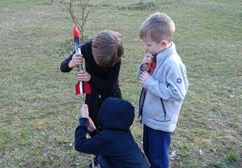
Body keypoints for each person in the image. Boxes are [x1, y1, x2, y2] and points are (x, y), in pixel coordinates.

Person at [137, 12, 189, 168]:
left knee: (158, 158)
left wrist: (150, 83)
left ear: (164, 43)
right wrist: (144, 67)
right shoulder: (156, 54)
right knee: (148, 150)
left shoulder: (173, 64)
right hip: (150, 116)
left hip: (161, 121)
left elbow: (177, 93)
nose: (146, 48)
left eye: (148, 44)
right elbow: (142, 78)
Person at [60, 30, 124, 127]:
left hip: (111, 97)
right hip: (92, 96)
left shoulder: (115, 55)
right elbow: (63, 67)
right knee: (92, 123)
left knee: (113, 125)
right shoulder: (86, 48)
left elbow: (109, 85)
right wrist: (71, 63)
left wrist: (90, 78)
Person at [74, 97, 149, 168]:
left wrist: (83, 120)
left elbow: (79, 144)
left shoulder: (109, 139)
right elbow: (104, 144)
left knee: (102, 159)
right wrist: (93, 131)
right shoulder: (122, 133)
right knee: (102, 158)